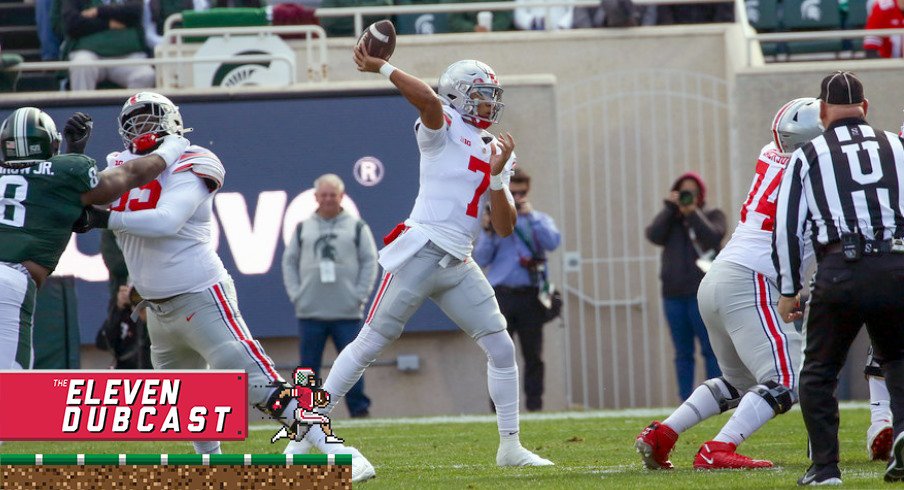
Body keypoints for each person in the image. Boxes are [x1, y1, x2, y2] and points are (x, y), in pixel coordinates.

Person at [77, 91, 374, 482]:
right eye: (135, 121)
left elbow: (166, 221)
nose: (142, 128)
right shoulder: (119, 164)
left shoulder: (194, 158)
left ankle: (342, 453)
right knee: (186, 399)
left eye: (150, 119)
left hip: (201, 295)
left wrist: (102, 219)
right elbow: (89, 200)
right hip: (157, 307)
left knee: (259, 385)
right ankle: (213, 471)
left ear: (172, 121)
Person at [283, 51, 554, 475]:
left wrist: (499, 177)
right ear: (457, 95)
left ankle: (510, 446)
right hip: (423, 249)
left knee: (501, 347)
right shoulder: (440, 125)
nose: (489, 104)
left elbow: (503, 227)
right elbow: (427, 102)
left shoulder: (495, 148)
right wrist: (382, 68)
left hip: (458, 260)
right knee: (368, 343)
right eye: (481, 95)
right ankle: (302, 435)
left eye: (491, 96)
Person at [635, 97, 822, 471]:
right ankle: (718, 447)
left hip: (720, 276)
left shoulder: (771, 153)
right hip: (752, 279)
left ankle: (663, 434)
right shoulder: (814, 171)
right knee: (786, 379)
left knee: (738, 381)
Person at [773, 70, 904, 485]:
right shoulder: (897, 146)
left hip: (840, 269)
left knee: (819, 370)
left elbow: (788, 227)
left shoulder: (808, 154)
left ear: (823, 112)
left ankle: (825, 468)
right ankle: (901, 434)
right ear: (865, 108)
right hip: (895, 265)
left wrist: (789, 289)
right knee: (900, 360)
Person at [0, 107, 188, 370]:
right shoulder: (66, 172)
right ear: (51, 144)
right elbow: (128, 175)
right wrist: (169, 149)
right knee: (10, 385)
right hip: (8, 281)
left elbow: (38, 188)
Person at [281, 173, 378, 418]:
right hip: (310, 310)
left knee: (352, 365)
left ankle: (359, 410)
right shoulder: (303, 227)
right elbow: (289, 262)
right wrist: (297, 294)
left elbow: (370, 261)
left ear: (341, 196)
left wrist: (359, 295)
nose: (327, 199)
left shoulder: (357, 226)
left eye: (332, 195)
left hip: (347, 311)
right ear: (315, 197)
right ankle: (305, 410)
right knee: (307, 367)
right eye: (323, 195)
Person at [473, 167, 561, 412]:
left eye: (522, 192)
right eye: (513, 192)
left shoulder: (538, 219)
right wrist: (490, 231)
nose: (518, 196)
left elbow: (553, 242)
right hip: (501, 295)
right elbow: (481, 258)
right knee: (498, 356)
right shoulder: (494, 220)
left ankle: (535, 406)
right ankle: (498, 409)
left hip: (530, 295)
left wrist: (530, 217)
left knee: (533, 355)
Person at [645, 172, 725, 401]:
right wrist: (670, 209)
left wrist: (693, 215)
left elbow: (713, 237)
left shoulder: (713, 215)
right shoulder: (671, 220)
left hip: (703, 294)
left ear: (700, 194)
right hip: (673, 295)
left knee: (710, 349)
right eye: (683, 192)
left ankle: (716, 398)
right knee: (682, 353)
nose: (687, 196)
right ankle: (686, 400)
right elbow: (653, 235)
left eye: (692, 192)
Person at [58, 0, 156, 90]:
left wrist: (98, 11)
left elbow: (134, 11)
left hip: (127, 56)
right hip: (90, 54)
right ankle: (81, 108)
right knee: (81, 66)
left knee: (146, 75)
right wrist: (108, 24)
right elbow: (72, 23)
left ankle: (133, 109)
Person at [96, 283, 152, 369]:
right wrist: (118, 308)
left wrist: (142, 308)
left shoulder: (153, 314)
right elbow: (102, 342)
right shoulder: (124, 314)